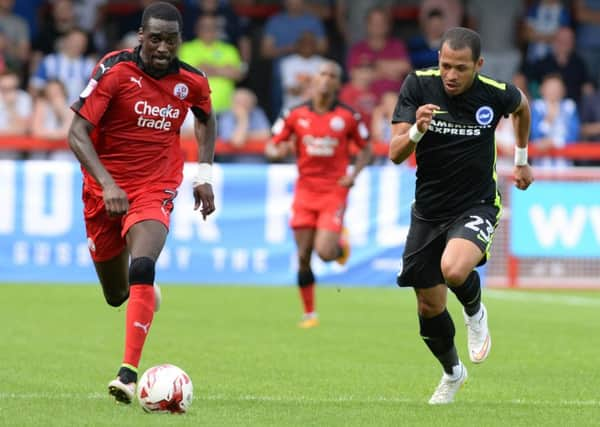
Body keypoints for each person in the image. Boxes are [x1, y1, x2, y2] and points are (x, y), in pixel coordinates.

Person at [67, 2, 216, 405]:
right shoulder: (115, 71)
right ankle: (143, 291)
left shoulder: (192, 81)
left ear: (180, 40)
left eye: (171, 40)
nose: (163, 48)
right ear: (141, 36)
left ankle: (127, 375)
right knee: (117, 294)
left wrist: (204, 175)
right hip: (104, 190)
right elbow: (77, 133)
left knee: (144, 262)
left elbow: (204, 117)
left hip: (156, 184)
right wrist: (107, 184)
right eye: (155, 39)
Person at [388, 27, 533, 404]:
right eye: (445, 65)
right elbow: (394, 153)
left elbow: (522, 107)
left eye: (460, 68)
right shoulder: (418, 86)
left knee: (454, 269)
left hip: (477, 203)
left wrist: (521, 159)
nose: (451, 75)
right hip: (428, 211)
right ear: (438, 61)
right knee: (428, 305)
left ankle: (474, 310)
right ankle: (453, 373)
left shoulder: (494, 92)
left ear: (478, 66)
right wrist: (418, 131)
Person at [265, 60, 372, 328]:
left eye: (332, 76)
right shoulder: (293, 114)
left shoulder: (348, 116)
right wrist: (277, 151)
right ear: (314, 80)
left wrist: (353, 175)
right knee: (303, 256)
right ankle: (310, 313)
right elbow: (272, 144)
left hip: (333, 191)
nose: (326, 79)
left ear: (337, 83)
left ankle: (339, 244)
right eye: (322, 74)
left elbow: (366, 149)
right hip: (305, 191)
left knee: (324, 253)